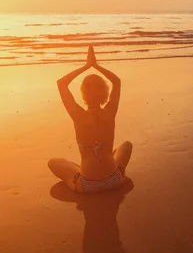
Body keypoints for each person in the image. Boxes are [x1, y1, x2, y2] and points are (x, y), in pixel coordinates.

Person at [48, 46, 132, 193]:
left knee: (53, 163)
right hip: (114, 181)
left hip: (87, 185)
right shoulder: (110, 112)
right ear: (105, 93)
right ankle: (111, 165)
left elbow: (61, 83)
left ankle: (79, 169)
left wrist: (86, 66)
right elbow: (117, 82)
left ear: (83, 93)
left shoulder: (78, 115)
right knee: (126, 145)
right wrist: (96, 66)